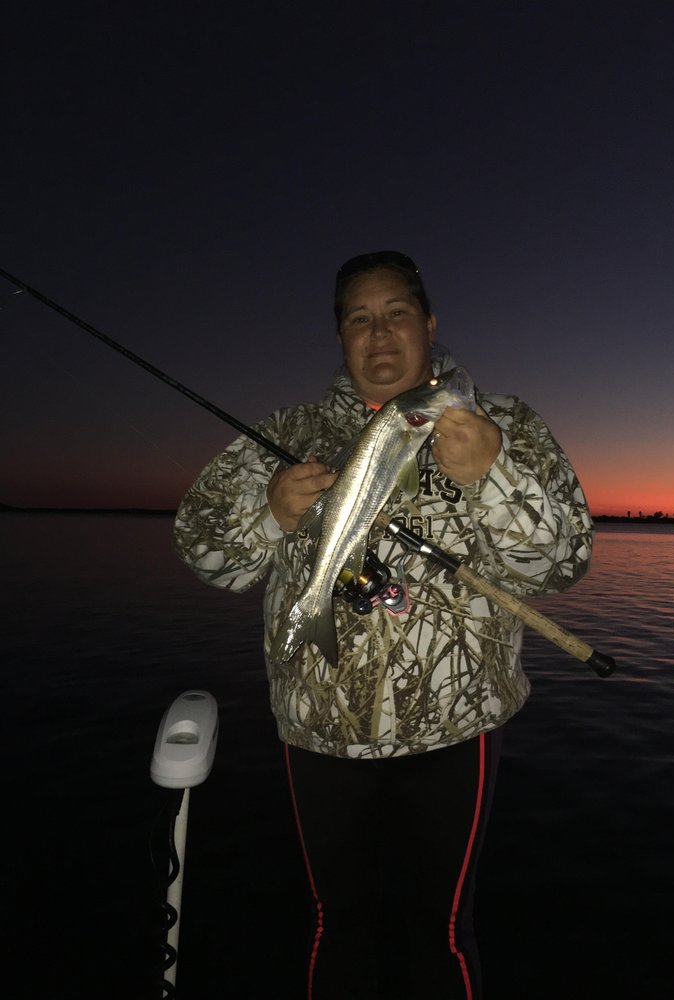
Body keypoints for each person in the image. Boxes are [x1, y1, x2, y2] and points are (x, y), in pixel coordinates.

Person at [173, 250, 593, 999]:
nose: (380, 334)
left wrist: (495, 476)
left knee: (444, 932)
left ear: (429, 325)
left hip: (455, 729)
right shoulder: (288, 430)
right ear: (340, 337)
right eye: (359, 319)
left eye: (397, 313)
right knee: (340, 925)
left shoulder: (508, 425)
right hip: (320, 730)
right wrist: (268, 513)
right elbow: (206, 556)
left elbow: (563, 566)